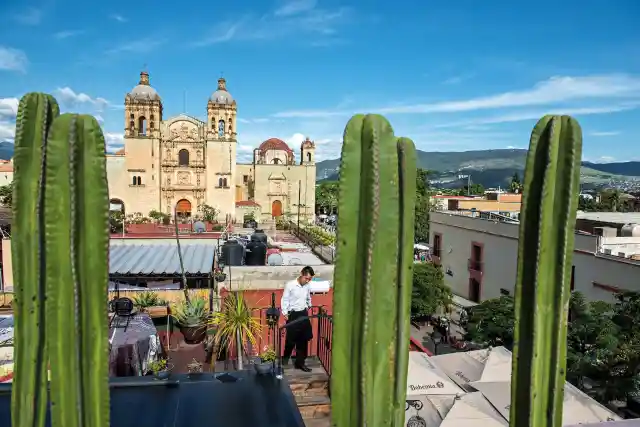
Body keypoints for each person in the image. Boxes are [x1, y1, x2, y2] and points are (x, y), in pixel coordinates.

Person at [281, 266, 315, 372]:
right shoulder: (290, 285)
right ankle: (285, 361)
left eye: (310, 279)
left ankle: (300, 363)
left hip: (303, 313)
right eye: (306, 278)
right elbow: (285, 299)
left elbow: (308, 297)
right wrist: (285, 312)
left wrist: (309, 304)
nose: (308, 280)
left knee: (304, 339)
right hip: (293, 314)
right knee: (291, 340)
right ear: (301, 274)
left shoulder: (307, 286)